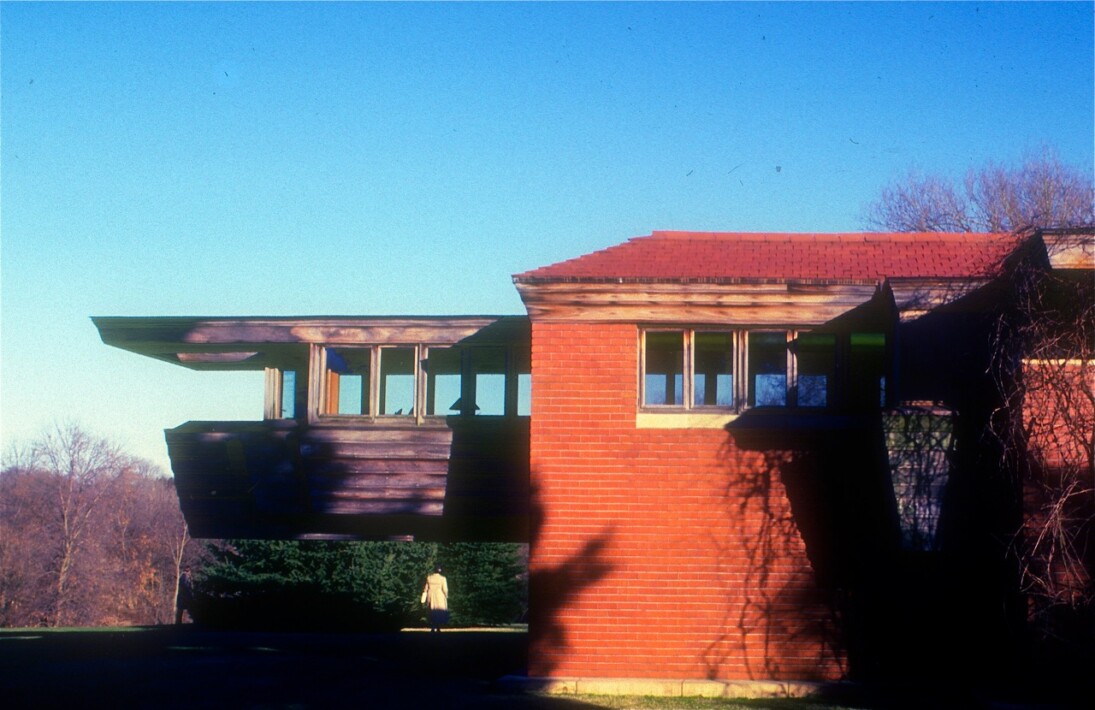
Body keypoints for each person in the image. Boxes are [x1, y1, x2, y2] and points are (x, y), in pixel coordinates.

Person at [420, 566, 449, 632]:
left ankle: (433, 627)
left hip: (430, 595)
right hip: (439, 596)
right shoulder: (443, 578)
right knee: (439, 612)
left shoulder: (429, 578)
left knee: (431, 611)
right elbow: (445, 589)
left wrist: (423, 597)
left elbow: (425, 589)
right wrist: (446, 596)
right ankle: (438, 627)